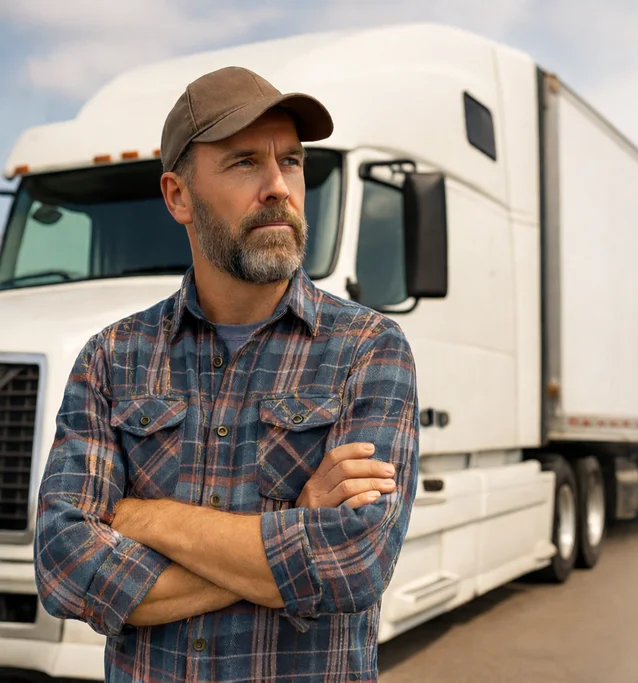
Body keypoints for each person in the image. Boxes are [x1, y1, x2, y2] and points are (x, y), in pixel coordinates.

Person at [33, 66, 419, 682]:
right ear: (178, 196)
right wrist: (293, 528)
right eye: (244, 163)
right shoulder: (113, 357)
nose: (278, 187)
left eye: (290, 161)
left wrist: (148, 518)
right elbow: (65, 568)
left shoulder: (368, 349)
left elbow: (354, 563)